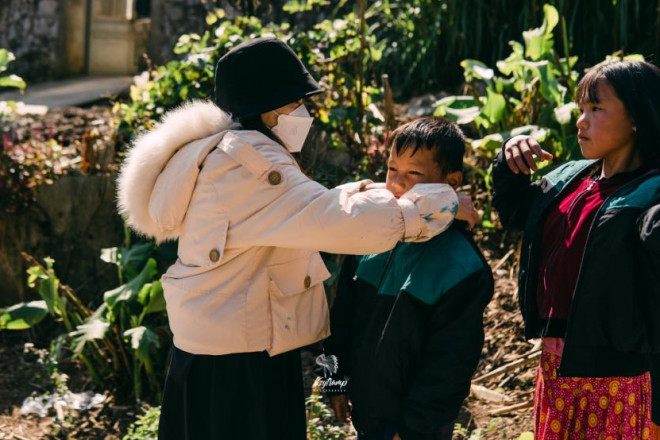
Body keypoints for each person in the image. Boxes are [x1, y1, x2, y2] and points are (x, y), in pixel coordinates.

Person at [116, 37, 479, 440]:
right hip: (242, 362)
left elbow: (308, 209)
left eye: (412, 175)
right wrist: (441, 203)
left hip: (219, 352)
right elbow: (340, 226)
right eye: (295, 104)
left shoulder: (224, 154)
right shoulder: (249, 163)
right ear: (269, 109)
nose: (303, 113)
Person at [491, 60, 660, 439]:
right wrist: (509, 163)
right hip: (555, 363)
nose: (581, 121)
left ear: (637, 117)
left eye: (596, 109)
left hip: (614, 374)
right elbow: (516, 213)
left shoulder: (652, 191)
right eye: (581, 108)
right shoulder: (570, 179)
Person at [321, 117, 494, 440]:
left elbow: (450, 364)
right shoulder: (368, 241)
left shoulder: (461, 266)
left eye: (414, 173)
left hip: (417, 428)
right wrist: (334, 382)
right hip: (368, 415)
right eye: (391, 170)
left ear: (451, 183)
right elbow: (339, 322)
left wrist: (412, 428)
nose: (397, 184)